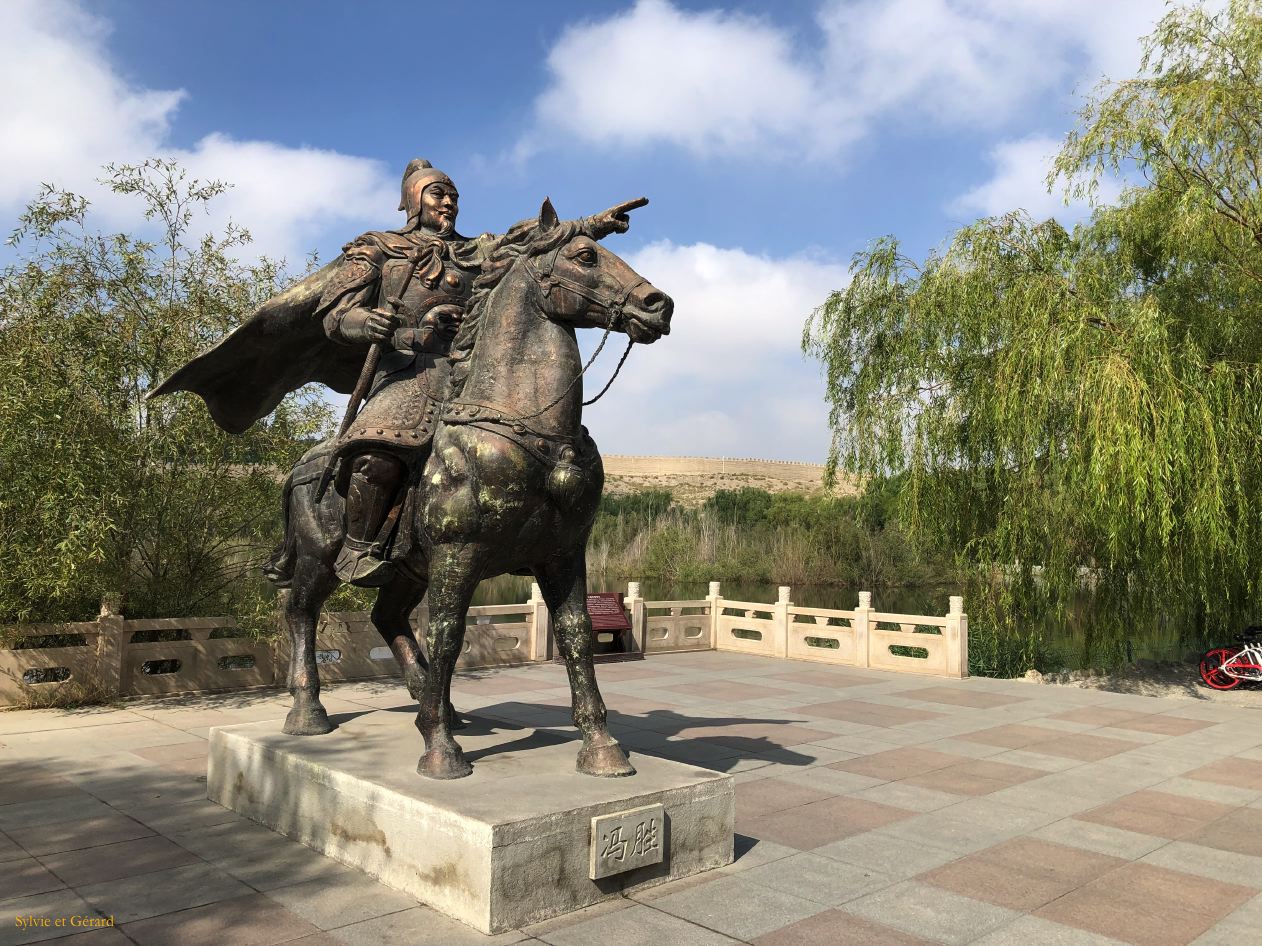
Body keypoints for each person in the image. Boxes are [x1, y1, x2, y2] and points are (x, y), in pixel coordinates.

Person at [149, 158, 645, 586]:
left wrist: (593, 223)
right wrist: (389, 328)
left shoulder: (478, 250)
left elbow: (537, 241)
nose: (448, 203)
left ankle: (525, 537)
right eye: (437, 194)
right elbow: (335, 314)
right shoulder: (380, 249)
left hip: (472, 373)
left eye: (453, 195)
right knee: (378, 453)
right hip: (407, 373)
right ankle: (359, 546)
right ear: (413, 201)